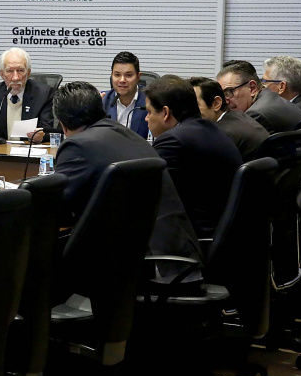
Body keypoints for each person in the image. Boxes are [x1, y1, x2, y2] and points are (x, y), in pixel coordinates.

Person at [52, 81, 202, 265]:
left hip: (137, 265)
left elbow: (58, 212)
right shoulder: (130, 135)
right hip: (177, 258)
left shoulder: (77, 145)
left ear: (63, 125)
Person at [145, 76, 242, 238]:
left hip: (196, 239)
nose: (147, 118)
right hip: (223, 236)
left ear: (166, 113)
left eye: (149, 112)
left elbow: (147, 195)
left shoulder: (173, 141)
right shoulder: (210, 129)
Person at [0, 48, 54, 142]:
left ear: (28, 73)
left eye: (20, 70)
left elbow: (48, 130)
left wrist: (41, 136)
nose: (15, 78)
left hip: (28, 151)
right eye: (10, 71)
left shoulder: (42, 94)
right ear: (2, 74)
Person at [216, 60, 301, 133]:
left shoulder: (256, 114)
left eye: (229, 91)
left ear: (252, 88)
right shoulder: (271, 97)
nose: (225, 101)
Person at [190, 76, 269, 160]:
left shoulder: (219, 134)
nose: (187, 111)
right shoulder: (238, 115)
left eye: (194, 104)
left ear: (216, 104)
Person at [101, 51, 149, 138]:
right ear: (112, 75)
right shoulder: (102, 101)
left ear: (138, 77)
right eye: (117, 75)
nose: (122, 80)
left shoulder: (150, 101)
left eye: (128, 75)